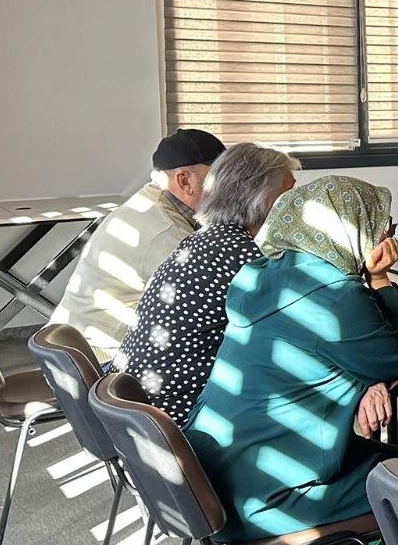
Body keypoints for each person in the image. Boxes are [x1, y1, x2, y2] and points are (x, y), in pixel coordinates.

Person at [184, 175, 398, 545]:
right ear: (351, 228)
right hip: (269, 499)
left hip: (221, 482)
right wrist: (380, 283)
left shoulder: (261, 275)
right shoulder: (335, 296)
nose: (387, 232)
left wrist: (356, 379)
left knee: (389, 463)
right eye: (380, 223)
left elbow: (324, 358)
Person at [113, 144, 299, 425]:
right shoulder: (244, 257)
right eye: (290, 193)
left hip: (142, 408)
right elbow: (302, 329)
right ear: (264, 200)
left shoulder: (205, 240)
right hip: (182, 417)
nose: (298, 203)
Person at [52, 128, 225, 361]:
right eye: (219, 178)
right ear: (184, 180)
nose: (228, 188)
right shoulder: (165, 232)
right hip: (100, 361)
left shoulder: (150, 201)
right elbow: (211, 301)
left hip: (71, 349)